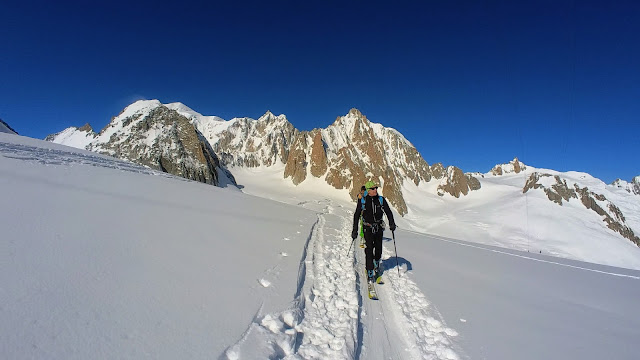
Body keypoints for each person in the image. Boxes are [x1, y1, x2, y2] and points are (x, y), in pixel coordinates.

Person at [352, 181, 396, 284]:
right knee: (369, 250)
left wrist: (392, 223)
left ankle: (376, 263)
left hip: (379, 228)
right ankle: (370, 271)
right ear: (368, 190)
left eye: (376, 188)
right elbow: (357, 215)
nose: (375, 190)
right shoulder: (363, 201)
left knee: (378, 249)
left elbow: (388, 211)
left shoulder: (380, 200)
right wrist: (355, 230)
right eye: (372, 188)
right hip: (367, 228)